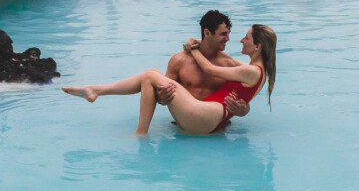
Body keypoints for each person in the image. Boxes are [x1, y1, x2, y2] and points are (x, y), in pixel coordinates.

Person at [63, 24, 277, 136]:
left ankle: (135, 130)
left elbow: (209, 68)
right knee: (151, 77)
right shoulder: (259, 71)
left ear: (257, 46)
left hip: (206, 116)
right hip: (210, 120)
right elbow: (243, 95)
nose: (241, 39)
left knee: (150, 74)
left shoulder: (251, 71)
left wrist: (192, 49)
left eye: (246, 38)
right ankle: (97, 91)